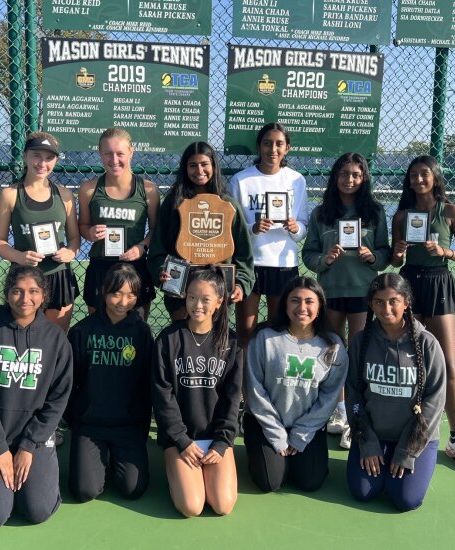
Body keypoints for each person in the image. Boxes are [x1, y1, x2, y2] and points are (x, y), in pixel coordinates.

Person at [0, 266, 73, 531]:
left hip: (32, 439)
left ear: (43, 294)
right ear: (7, 293)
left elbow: (58, 399)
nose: (25, 299)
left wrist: (28, 445)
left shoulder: (55, 338)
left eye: (33, 291)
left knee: (37, 510)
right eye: (17, 291)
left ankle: (37, 474)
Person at [390, 155, 455, 470]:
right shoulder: (402, 216)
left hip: (440, 283)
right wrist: (399, 252)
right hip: (410, 284)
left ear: (435, 177)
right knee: (411, 364)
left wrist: (445, 252)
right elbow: (397, 261)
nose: (418, 179)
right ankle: (407, 431)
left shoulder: (451, 211)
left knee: (448, 364)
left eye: (424, 174)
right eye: (413, 175)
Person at [303, 152, 391, 449]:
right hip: (330, 292)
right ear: (334, 177)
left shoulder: (375, 212)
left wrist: (373, 257)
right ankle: (337, 409)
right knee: (331, 351)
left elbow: (385, 253)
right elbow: (308, 255)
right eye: (343, 174)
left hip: (362, 292)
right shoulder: (321, 213)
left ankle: (356, 414)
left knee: (358, 352)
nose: (349, 180)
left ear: (364, 177)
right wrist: (324, 260)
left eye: (355, 174)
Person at [346, 273, 446, 511]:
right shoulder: (361, 342)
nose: (386, 308)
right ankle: (380, 456)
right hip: (375, 434)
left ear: (406, 302)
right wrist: (367, 443)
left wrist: (407, 451)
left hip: (415, 436)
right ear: (370, 304)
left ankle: (399, 460)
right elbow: (353, 395)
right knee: (363, 491)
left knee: (405, 499)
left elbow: (434, 401)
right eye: (379, 301)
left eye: (393, 301)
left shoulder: (426, 343)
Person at [151, 267, 243, 517]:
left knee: (222, 506)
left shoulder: (231, 342)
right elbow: (162, 395)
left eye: (205, 299)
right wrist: (181, 440)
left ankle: (205, 472)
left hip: (214, 437)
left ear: (219, 302)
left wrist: (223, 442)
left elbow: (232, 398)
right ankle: (181, 469)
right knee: (192, 506)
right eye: (192, 297)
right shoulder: (169, 339)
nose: (197, 305)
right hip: (180, 439)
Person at [243, 277, 347, 493]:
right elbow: (254, 390)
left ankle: (295, 458)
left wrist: (301, 434)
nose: (302, 307)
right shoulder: (264, 338)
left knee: (309, 482)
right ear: (284, 304)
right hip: (266, 424)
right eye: (295, 300)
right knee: (270, 482)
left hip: (307, 426)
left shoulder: (333, 346)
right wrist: (277, 435)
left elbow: (329, 397)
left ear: (319, 306)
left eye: (309, 301)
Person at [66, 263, 154, 502]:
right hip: (90, 425)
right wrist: (76, 418)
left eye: (131, 295)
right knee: (85, 491)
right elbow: (69, 383)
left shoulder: (142, 333)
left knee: (132, 489)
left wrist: (141, 427)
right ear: (104, 292)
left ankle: (117, 455)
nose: (122, 302)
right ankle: (94, 457)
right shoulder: (81, 332)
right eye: (116, 293)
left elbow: (147, 385)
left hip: (128, 426)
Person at [148, 141, 255, 321]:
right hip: (181, 294)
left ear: (214, 165)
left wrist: (241, 285)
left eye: (204, 164)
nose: (199, 171)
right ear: (185, 169)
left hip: (218, 292)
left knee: (213, 345)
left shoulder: (229, 206)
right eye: (193, 165)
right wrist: (162, 274)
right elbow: (158, 250)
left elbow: (244, 255)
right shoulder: (174, 203)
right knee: (183, 341)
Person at [229, 122, 309, 346]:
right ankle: (244, 379)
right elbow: (231, 229)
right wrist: (252, 229)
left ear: (287, 149)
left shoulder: (296, 180)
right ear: (258, 146)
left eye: (279, 144)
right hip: (249, 263)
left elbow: (303, 226)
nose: (272, 149)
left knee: (279, 330)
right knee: (246, 331)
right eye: (267, 143)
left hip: (283, 263)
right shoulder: (241, 180)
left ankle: (271, 378)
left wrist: (295, 228)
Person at [0, 132, 81, 331]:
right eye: (37, 156)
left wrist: (70, 252)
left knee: (55, 341)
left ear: (56, 160)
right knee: (22, 339)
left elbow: (74, 239)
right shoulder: (10, 195)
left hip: (58, 277)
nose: (43, 163)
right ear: (25, 156)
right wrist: (19, 256)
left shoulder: (64, 195)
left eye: (49, 158)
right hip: (23, 277)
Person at [78, 128, 159, 319]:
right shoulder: (88, 189)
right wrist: (89, 232)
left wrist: (142, 246)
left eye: (120, 153)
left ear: (131, 152)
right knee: (98, 331)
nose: (114, 160)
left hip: (134, 268)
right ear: (100, 153)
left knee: (136, 332)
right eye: (108, 153)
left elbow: (156, 229)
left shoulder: (148, 189)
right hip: (101, 268)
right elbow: (82, 225)